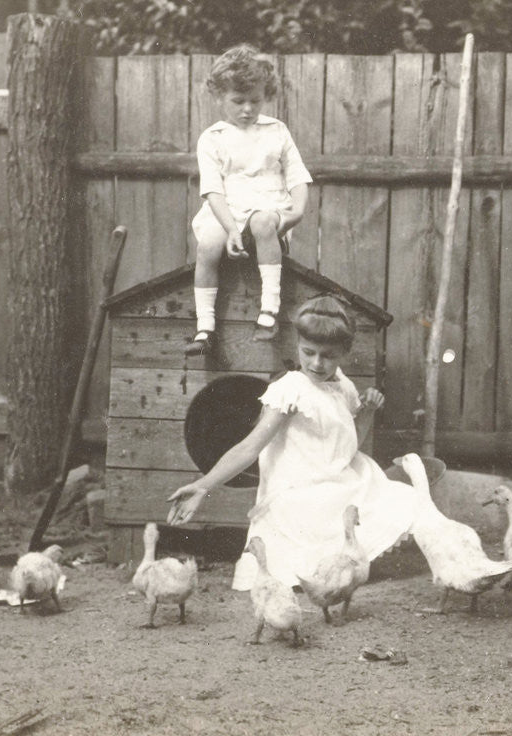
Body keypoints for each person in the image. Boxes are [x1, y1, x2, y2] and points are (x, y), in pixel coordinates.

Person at [167, 295, 419, 591]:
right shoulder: (290, 389)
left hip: (334, 483)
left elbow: (347, 447)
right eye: (308, 352)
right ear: (297, 345)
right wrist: (202, 486)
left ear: (344, 353)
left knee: (404, 499)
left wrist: (367, 413)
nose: (316, 363)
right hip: (298, 495)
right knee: (308, 567)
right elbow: (250, 446)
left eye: (328, 355)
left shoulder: (344, 387)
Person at [185, 44, 312, 356]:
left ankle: (269, 310)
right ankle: (205, 328)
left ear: (265, 95)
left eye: (255, 100)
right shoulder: (212, 138)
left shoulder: (276, 130)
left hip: (270, 209)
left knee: (263, 219)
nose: (247, 109)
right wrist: (229, 228)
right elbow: (213, 190)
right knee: (208, 245)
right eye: (237, 101)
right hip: (226, 212)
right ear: (219, 97)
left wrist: (297, 211)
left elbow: (297, 174)